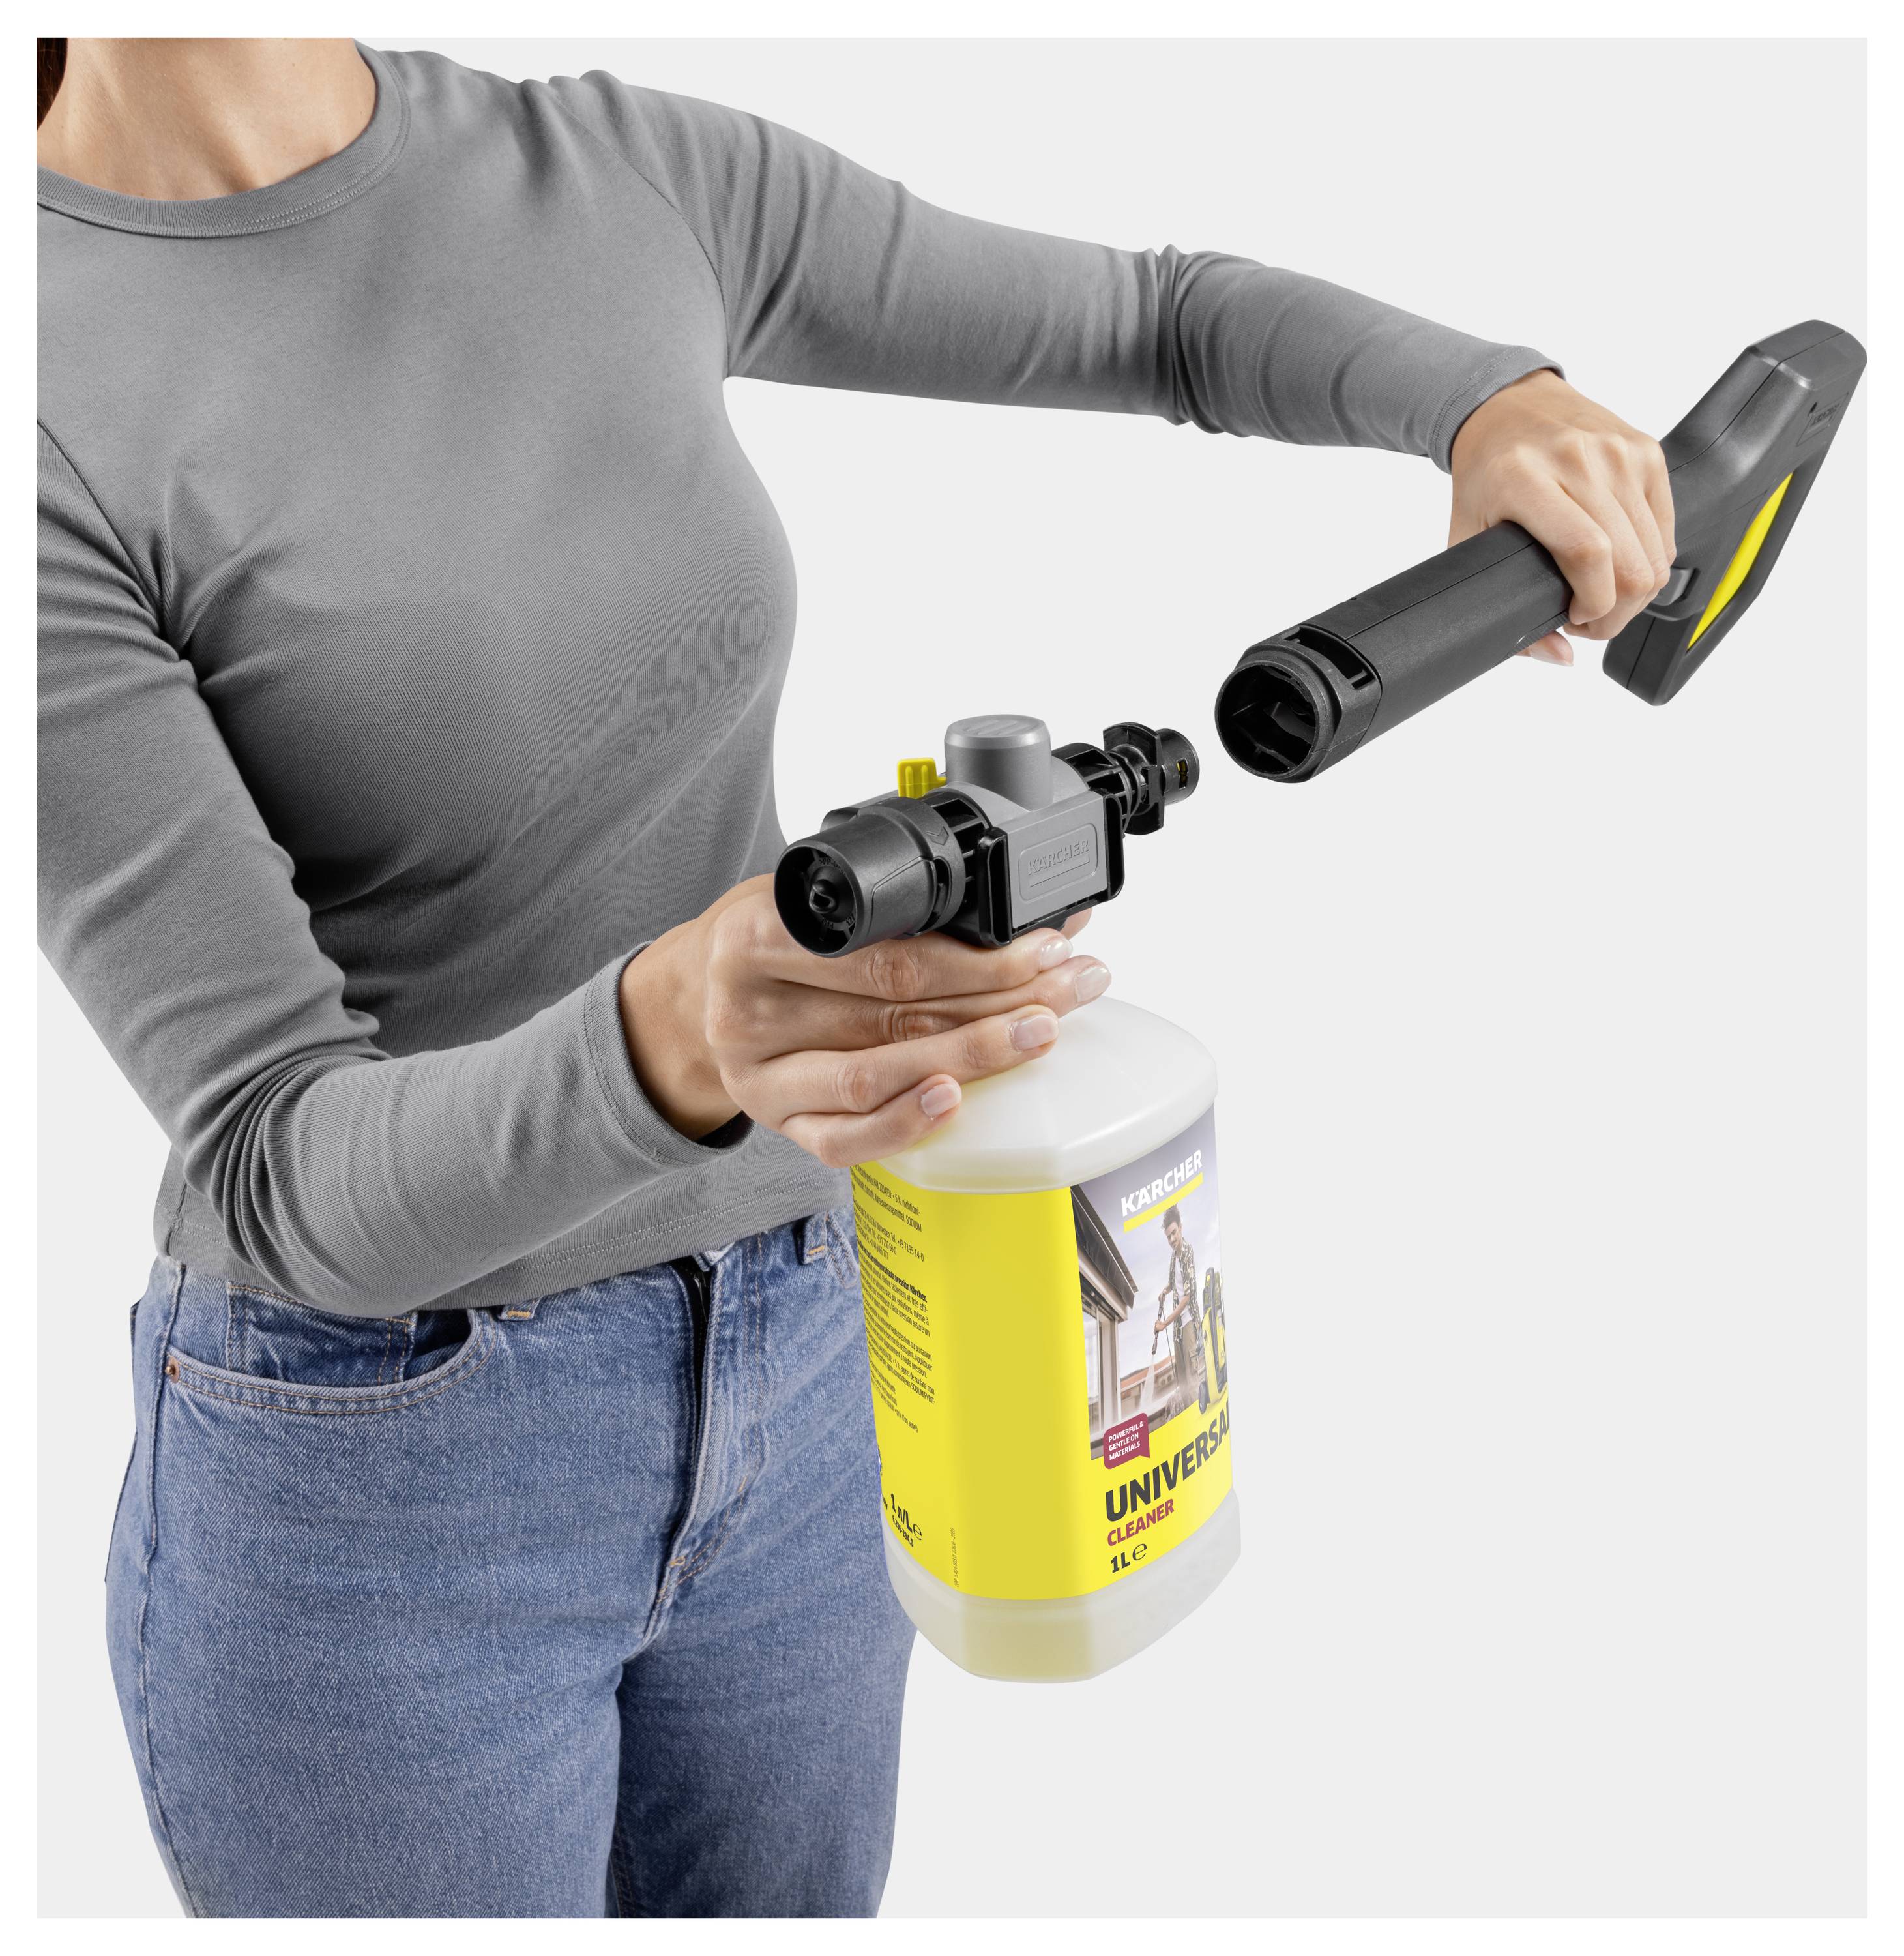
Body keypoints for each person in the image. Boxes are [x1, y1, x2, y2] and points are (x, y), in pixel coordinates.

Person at [37, 37, 1676, 1919]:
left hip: (821, 1340)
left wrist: (1488, 402)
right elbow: (269, 1161)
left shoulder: (615, 173)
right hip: (387, 1474)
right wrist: (676, 1031)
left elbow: (1166, 321)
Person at [1154, 1204, 1207, 1415]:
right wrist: (1164, 1292)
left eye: (1174, 1233)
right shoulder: (1173, 1258)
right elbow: (1173, 1283)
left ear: (1181, 1228)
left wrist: (1164, 1323)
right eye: (1168, 1236)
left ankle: (1198, 1423)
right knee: (1182, 1379)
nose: (1172, 1239)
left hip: (1187, 1324)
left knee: (1192, 1379)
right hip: (1177, 1329)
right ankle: (1188, 1423)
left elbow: (1187, 1297)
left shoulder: (1187, 1253)